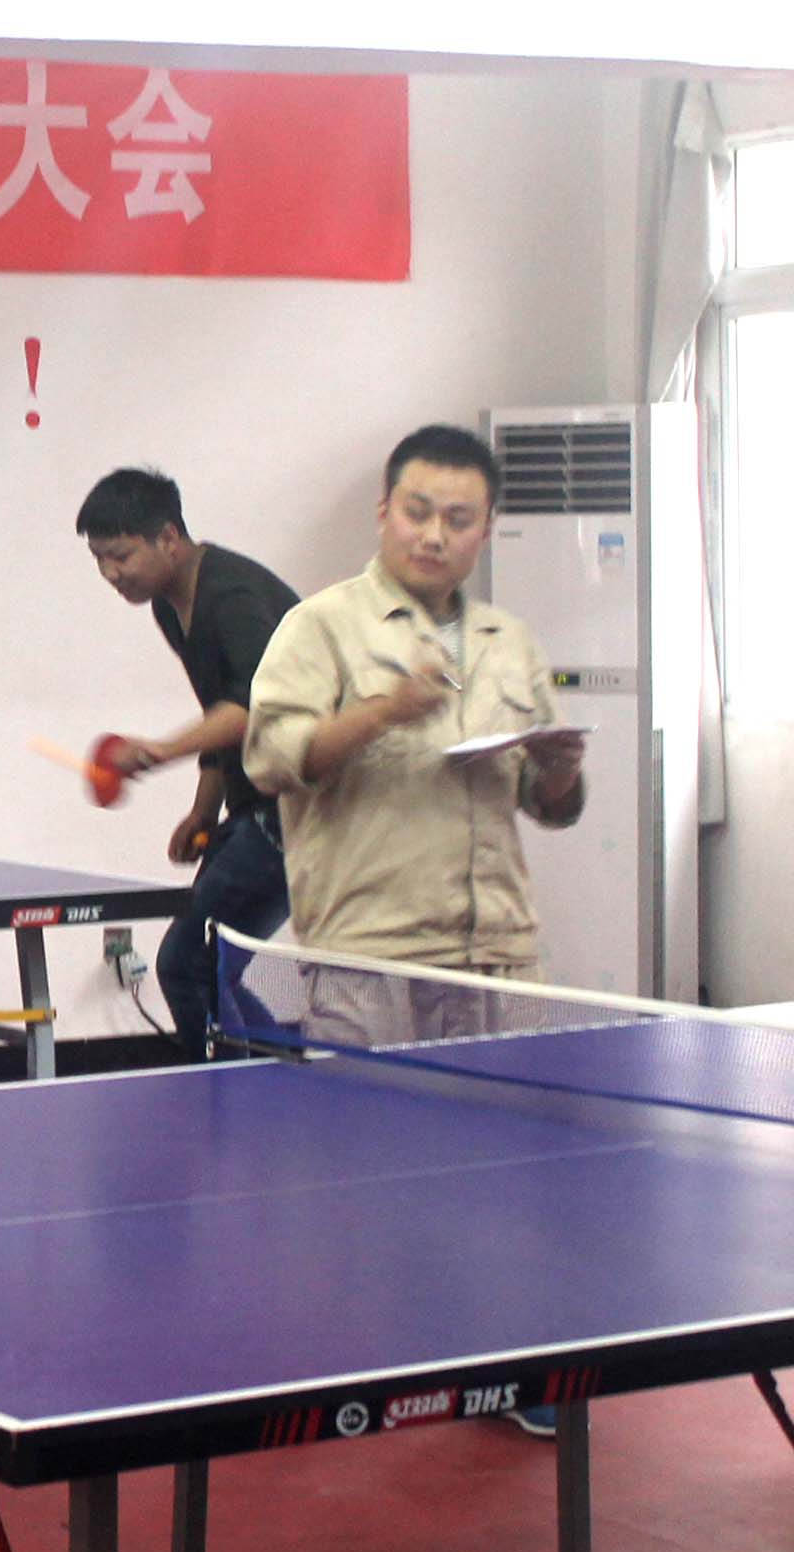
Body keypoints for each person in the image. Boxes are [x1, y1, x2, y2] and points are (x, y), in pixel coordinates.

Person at [243, 423, 585, 1436]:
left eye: (459, 519)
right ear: (384, 512)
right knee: (372, 1174)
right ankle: (382, 1355)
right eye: (419, 512)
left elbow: (551, 807)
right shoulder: (319, 627)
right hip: (369, 948)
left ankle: (498, 1364)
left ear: (486, 530)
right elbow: (273, 758)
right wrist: (383, 711)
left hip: (493, 950)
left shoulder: (509, 642)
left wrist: (560, 772)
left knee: (500, 1172)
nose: (435, 534)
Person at [77, 467, 302, 1059]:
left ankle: (242, 1086)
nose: (110, 573)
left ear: (169, 538)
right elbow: (219, 710)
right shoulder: (170, 605)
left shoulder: (232, 598)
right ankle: (277, 1077)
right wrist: (203, 812)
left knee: (186, 962)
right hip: (260, 804)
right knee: (207, 964)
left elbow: (255, 706)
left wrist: (159, 750)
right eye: (99, 559)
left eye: (120, 555)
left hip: (306, 807)